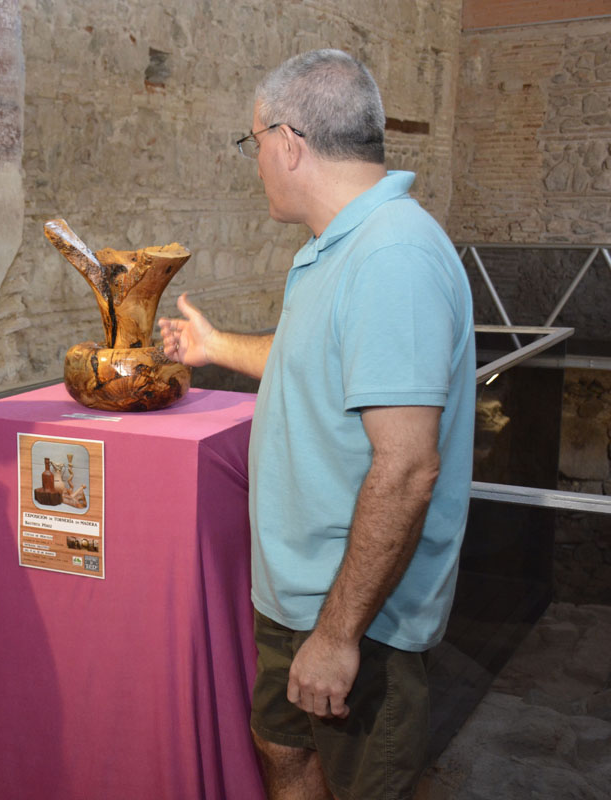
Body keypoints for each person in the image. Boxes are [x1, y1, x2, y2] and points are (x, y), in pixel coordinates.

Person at [158, 50, 474, 800]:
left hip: (359, 612)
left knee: (367, 781)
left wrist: (336, 638)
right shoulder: (337, 247)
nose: (257, 162)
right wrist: (215, 349)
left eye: (254, 143)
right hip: (303, 598)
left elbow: (406, 469)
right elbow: (319, 364)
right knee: (285, 751)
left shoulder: (391, 254)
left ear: (289, 142)